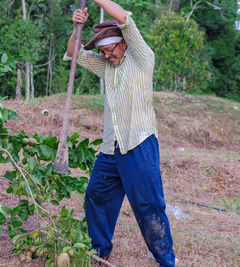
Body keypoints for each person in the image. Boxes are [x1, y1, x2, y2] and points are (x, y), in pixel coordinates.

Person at [64, 1, 176, 266]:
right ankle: (100, 251)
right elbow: (74, 54)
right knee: (96, 195)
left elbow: (125, 18)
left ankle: (165, 260)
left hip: (139, 144)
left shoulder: (142, 59)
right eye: (101, 52)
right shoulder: (107, 67)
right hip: (110, 147)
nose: (105, 56)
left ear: (123, 43)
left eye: (108, 50)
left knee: (148, 205)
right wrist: (76, 27)